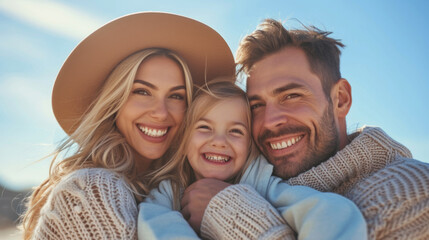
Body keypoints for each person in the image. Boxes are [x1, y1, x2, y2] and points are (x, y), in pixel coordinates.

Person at [181, 19, 429, 240]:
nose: (269, 121)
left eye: (291, 96)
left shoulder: (413, 192)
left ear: (340, 99)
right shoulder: (251, 181)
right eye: (256, 105)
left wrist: (228, 212)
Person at [20, 12, 235, 239]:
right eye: (142, 91)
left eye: (176, 96)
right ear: (115, 102)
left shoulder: (171, 193)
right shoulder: (93, 189)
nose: (161, 113)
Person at [138, 80, 367, 240]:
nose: (219, 142)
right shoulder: (168, 193)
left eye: (236, 131)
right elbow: (158, 230)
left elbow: (331, 213)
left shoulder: (262, 185)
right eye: (204, 128)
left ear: (250, 145)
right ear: (184, 138)